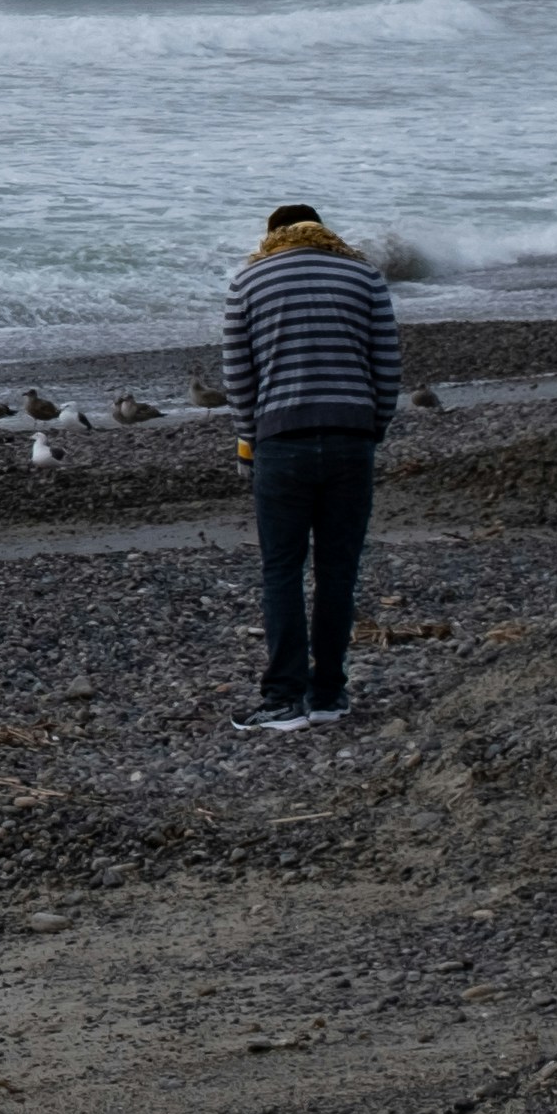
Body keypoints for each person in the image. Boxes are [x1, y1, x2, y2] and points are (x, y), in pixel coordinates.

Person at [216, 200, 401, 723]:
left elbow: (238, 377)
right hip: (351, 436)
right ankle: (328, 696)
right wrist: (372, 429)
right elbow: (387, 365)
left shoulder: (248, 282)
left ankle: (282, 700)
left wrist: (251, 441)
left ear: (273, 236)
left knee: (282, 570)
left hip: (281, 439)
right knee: (338, 572)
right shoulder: (364, 276)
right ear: (322, 233)